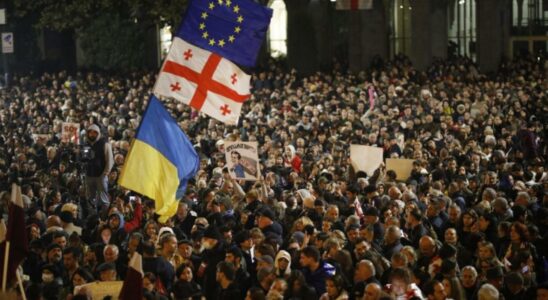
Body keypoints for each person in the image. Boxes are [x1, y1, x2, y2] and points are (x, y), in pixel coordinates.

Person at [84, 124, 113, 213]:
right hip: (89, 174)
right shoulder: (86, 144)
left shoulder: (105, 144)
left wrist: (106, 173)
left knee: (103, 198)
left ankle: (104, 215)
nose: (92, 134)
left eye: (94, 133)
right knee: (90, 198)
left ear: (98, 133)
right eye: (90, 133)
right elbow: (85, 158)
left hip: (101, 175)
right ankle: (92, 216)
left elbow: (110, 160)